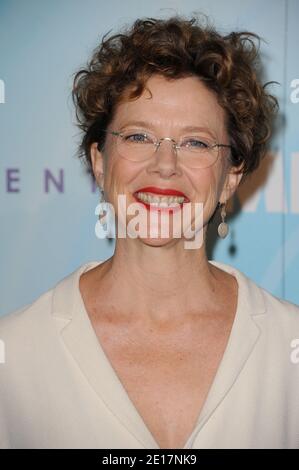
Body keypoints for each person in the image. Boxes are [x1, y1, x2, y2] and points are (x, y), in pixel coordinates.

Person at [1, 14, 299, 450]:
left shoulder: (289, 346)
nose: (164, 165)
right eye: (139, 136)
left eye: (196, 142)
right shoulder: (15, 352)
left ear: (231, 178)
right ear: (100, 160)